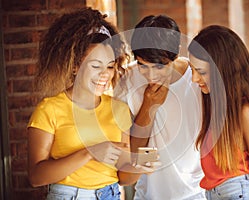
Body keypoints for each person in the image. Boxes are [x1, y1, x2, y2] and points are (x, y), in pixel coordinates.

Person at [27, 8, 154, 200]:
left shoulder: (119, 109)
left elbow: (124, 178)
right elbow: (36, 177)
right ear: (75, 65)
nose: (105, 74)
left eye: (110, 66)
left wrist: (140, 166)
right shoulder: (49, 109)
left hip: (110, 194)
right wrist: (89, 153)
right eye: (95, 65)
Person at [188, 25, 249, 200]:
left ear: (222, 69)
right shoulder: (217, 106)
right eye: (191, 69)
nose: (194, 79)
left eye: (201, 72)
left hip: (239, 193)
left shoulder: (246, 110)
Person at [114, 15, 206, 199]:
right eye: (143, 66)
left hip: (197, 193)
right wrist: (149, 107)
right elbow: (132, 154)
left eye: (159, 67)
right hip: (148, 194)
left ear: (176, 53)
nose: (151, 76)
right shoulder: (127, 81)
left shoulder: (197, 80)